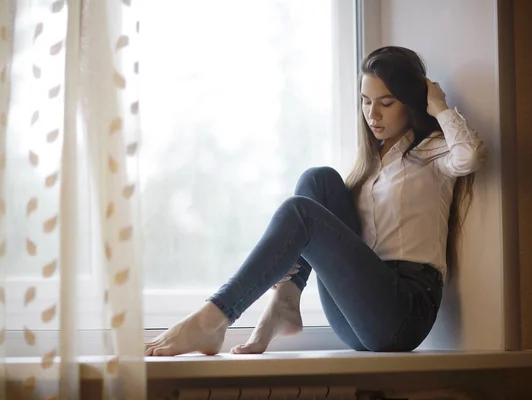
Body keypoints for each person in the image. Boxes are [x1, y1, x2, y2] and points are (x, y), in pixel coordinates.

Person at [144, 46, 486, 356]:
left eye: (386, 102)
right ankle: (287, 300)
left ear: (410, 103)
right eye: (366, 101)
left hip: (404, 310)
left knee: (301, 212)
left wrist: (439, 105)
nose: (373, 115)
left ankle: (214, 317)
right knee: (317, 179)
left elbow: (469, 157)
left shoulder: (430, 152)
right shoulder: (369, 167)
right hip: (358, 315)